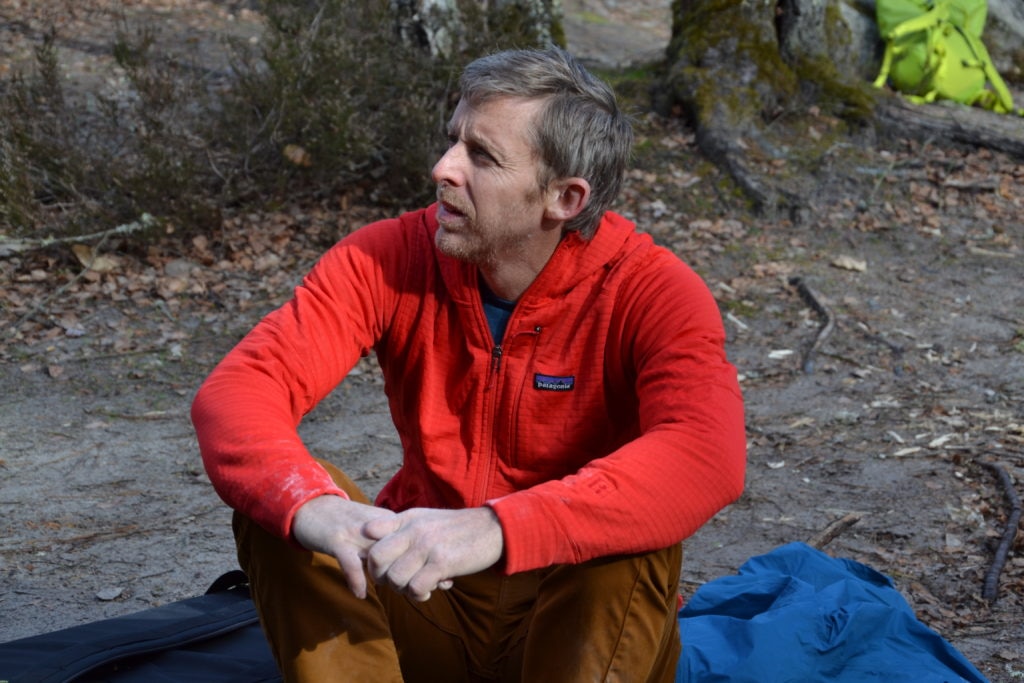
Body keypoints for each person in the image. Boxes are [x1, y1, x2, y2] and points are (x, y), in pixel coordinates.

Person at [191, 46, 746, 683]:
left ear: (564, 198)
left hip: (570, 622)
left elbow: (707, 455)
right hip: (423, 599)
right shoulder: (387, 257)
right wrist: (314, 507)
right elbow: (239, 392)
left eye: (481, 156)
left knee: (630, 535)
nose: (443, 168)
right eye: (452, 140)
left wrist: (498, 526)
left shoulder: (652, 290)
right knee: (283, 500)